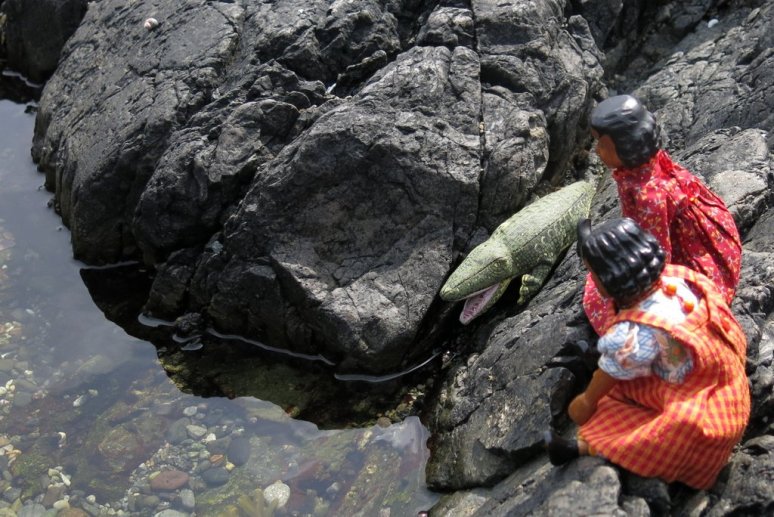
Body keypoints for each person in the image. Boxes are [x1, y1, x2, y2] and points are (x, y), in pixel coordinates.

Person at [545, 218, 750, 490]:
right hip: (717, 364)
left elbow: (607, 376)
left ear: (610, 277)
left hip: (697, 394)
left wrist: (585, 401)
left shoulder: (636, 330)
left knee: (654, 432)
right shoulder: (677, 277)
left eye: (593, 275)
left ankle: (584, 448)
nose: (592, 281)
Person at [583, 95, 742, 335]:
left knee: (609, 297)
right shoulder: (643, 164)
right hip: (695, 225)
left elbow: (658, 250)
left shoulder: (648, 195)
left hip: (688, 249)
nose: (596, 151)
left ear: (625, 144)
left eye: (602, 144)